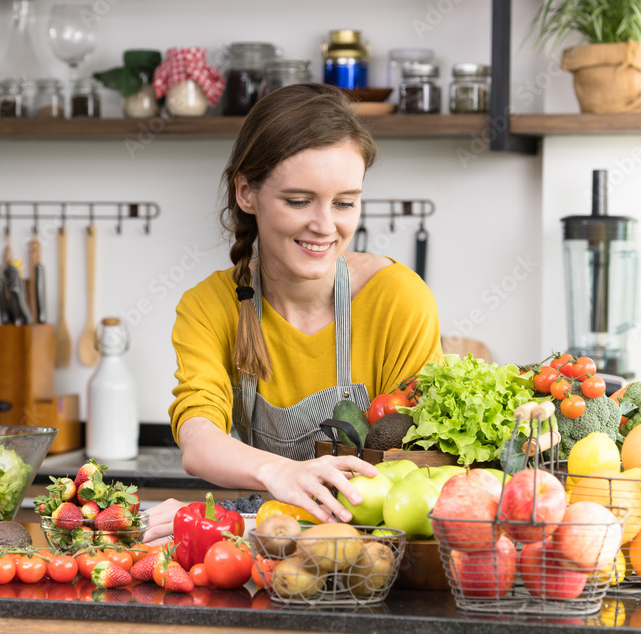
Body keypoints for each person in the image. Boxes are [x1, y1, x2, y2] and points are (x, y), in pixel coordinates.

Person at [143, 83, 442, 541]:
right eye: (299, 201)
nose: (325, 226)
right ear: (247, 192)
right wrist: (277, 476)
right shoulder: (209, 307)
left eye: (344, 203)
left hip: (375, 543)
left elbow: (420, 462)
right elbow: (199, 440)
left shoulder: (397, 299)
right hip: (267, 539)